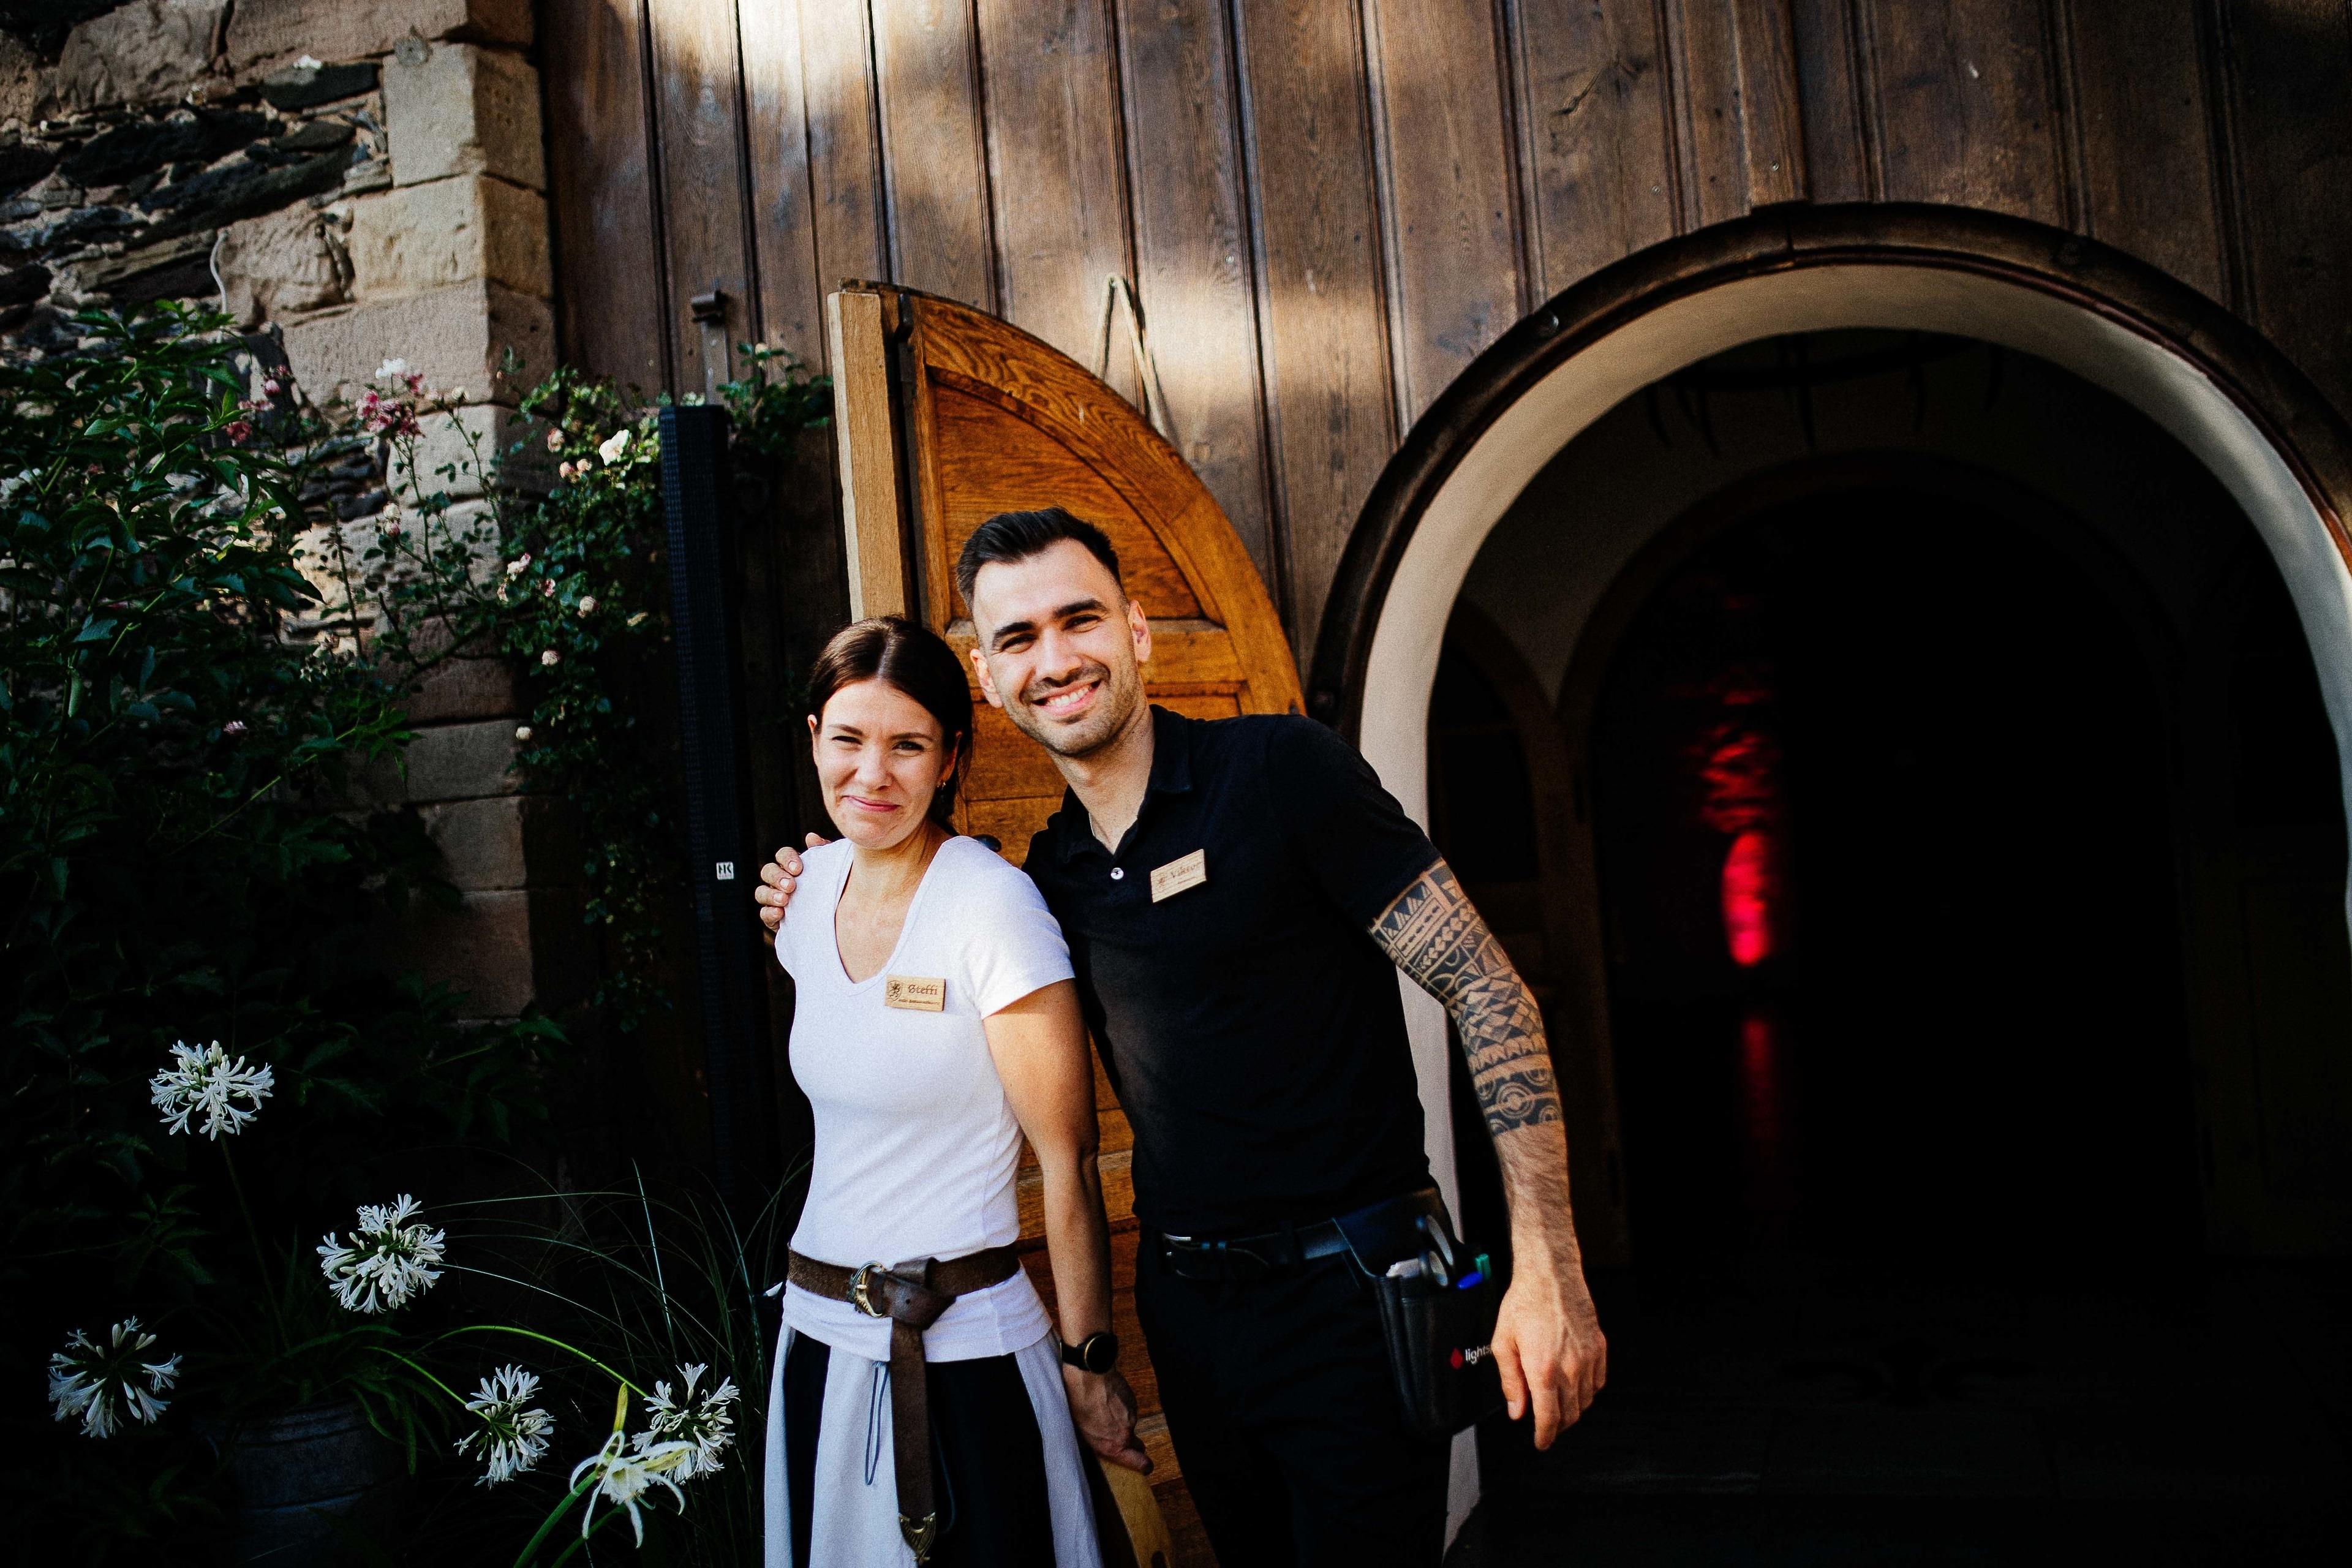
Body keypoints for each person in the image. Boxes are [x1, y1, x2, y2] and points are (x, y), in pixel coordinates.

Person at [760, 510, 1606, 1567]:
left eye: (1080, 620)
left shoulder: (1282, 770)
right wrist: (814, 882)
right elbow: (921, 932)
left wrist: (1549, 1266)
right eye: (1018, 638)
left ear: (1138, 630)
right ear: (989, 678)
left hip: (1355, 1297)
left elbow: (1486, 987)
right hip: (1192, 1317)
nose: (1055, 660)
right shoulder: (1050, 876)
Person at [760, 615, 1145, 1568]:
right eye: (848, 739)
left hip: (962, 1356)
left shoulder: (992, 907)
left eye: (908, 745)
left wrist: (1089, 1364)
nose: (872, 773)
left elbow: (1068, 1159)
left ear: (951, 758)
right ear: (813, 739)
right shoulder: (803, 894)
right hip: (815, 1339)